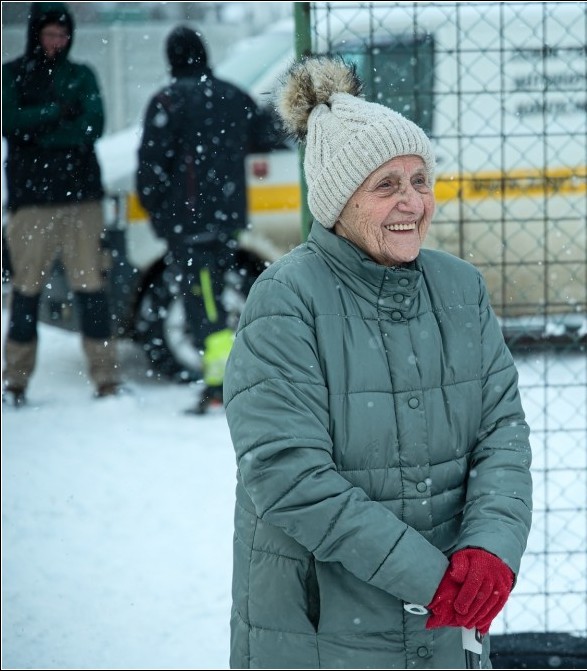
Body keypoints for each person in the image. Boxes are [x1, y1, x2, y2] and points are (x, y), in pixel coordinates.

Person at [223, 56, 534, 668]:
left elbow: (503, 434)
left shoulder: (460, 288)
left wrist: (491, 551)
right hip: (320, 630)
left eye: (421, 180)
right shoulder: (287, 299)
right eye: (386, 184)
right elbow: (288, 476)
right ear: (339, 201)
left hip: (448, 626)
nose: (412, 202)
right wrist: (431, 579)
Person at [136, 25, 283, 414]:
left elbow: (150, 168)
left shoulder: (168, 102)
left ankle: (220, 386)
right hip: (226, 221)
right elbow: (269, 135)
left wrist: (159, 214)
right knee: (220, 298)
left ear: (172, 58)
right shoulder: (234, 96)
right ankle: (230, 377)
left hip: (189, 225)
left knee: (205, 305)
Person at [2, 2, 120, 406]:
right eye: (51, 34)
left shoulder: (81, 75)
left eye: (63, 35)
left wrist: (41, 129)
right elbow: (10, 122)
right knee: (25, 293)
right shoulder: (13, 75)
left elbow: (94, 125)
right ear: (36, 34)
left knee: (91, 289)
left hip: (81, 199)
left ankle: (106, 377)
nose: (58, 42)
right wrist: (57, 114)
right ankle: (15, 380)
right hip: (31, 202)